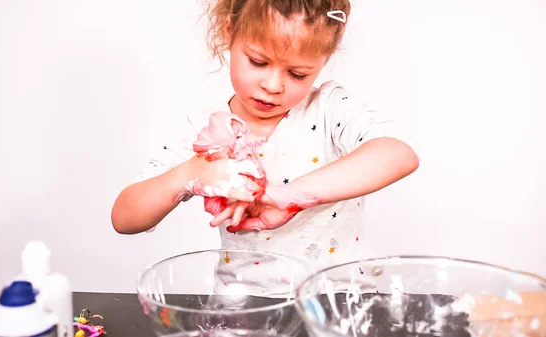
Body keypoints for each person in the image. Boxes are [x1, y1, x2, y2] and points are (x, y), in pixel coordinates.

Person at [111, 0, 419, 276]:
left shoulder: (329, 109)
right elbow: (125, 218)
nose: (273, 85)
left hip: (340, 300)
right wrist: (192, 172)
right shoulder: (207, 132)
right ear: (229, 32)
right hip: (245, 304)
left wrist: (292, 195)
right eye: (258, 62)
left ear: (322, 62)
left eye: (297, 74)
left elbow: (398, 153)